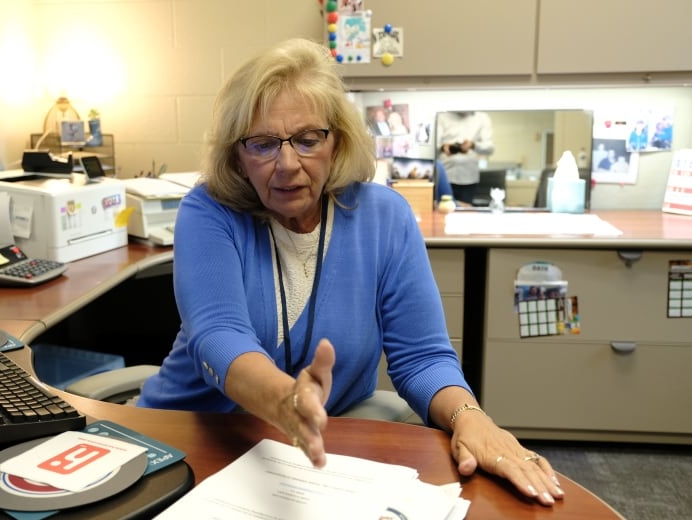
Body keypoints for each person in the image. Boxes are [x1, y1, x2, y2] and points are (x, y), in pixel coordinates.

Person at [137, 38, 563, 507]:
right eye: (262, 144)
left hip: (316, 455)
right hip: (194, 437)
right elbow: (219, 336)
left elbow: (421, 356)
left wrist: (470, 416)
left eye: (307, 139)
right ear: (237, 156)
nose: (287, 164)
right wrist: (285, 401)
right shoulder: (208, 211)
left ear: (336, 139)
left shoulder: (384, 217)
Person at [436, 111, 494, 204]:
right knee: (443, 211)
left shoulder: (482, 118)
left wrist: (473, 145)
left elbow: (489, 148)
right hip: (445, 177)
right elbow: (431, 146)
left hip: (469, 178)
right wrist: (443, 147)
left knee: (465, 213)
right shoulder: (442, 116)